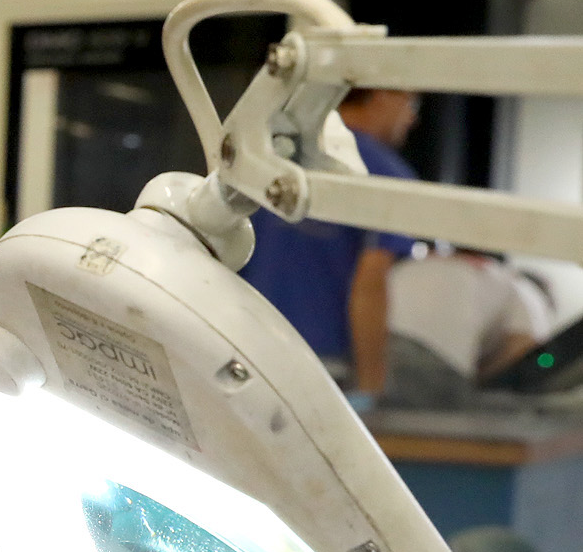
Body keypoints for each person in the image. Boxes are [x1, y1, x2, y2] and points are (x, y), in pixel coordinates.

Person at [235, 86, 419, 398]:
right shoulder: (385, 176)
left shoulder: (270, 159)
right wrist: (372, 388)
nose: (412, 118)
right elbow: (370, 285)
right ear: (382, 95)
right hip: (320, 367)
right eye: (411, 103)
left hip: (244, 349)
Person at [381, 248, 554, 409]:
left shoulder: (436, 263)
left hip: (378, 345)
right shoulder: (526, 290)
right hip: (435, 359)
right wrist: (481, 379)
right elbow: (523, 350)